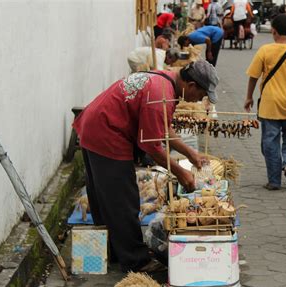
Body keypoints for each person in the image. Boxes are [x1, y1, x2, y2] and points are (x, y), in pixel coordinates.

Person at [73, 61, 219, 272]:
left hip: (94, 126)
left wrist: (190, 153)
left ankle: (112, 251)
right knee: (123, 200)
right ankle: (136, 261)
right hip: (106, 133)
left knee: (106, 198)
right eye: (202, 94)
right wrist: (181, 172)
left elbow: (163, 128)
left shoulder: (165, 80)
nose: (200, 100)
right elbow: (152, 146)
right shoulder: (161, 90)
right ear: (192, 85)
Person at [244, 15, 286, 190]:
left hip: (269, 106)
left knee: (270, 141)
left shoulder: (264, 50)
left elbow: (253, 77)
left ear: (273, 31)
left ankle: (274, 181)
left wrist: (249, 97)